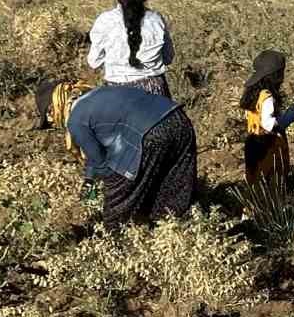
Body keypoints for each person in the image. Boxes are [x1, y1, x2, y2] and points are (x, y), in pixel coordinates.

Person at [36, 79, 195, 228]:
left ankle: (117, 243)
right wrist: (89, 181)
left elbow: (102, 164)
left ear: (52, 109)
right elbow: (94, 158)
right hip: (178, 120)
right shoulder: (98, 93)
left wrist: (106, 195)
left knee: (117, 206)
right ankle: (179, 233)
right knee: (173, 192)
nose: (53, 124)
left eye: (48, 120)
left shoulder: (75, 121)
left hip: (150, 135)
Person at [87, 0, 174, 98]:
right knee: (178, 121)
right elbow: (169, 58)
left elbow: (93, 62)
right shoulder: (156, 20)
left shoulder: (104, 21)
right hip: (156, 95)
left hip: (117, 95)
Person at [240, 50, 294, 187]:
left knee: (256, 182)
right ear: (274, 75)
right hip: (269, 145)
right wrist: (289, 117)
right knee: (273, 182)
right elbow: (269, 124)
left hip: (253, 143)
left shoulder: (253, 93)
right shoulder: (267, 96)